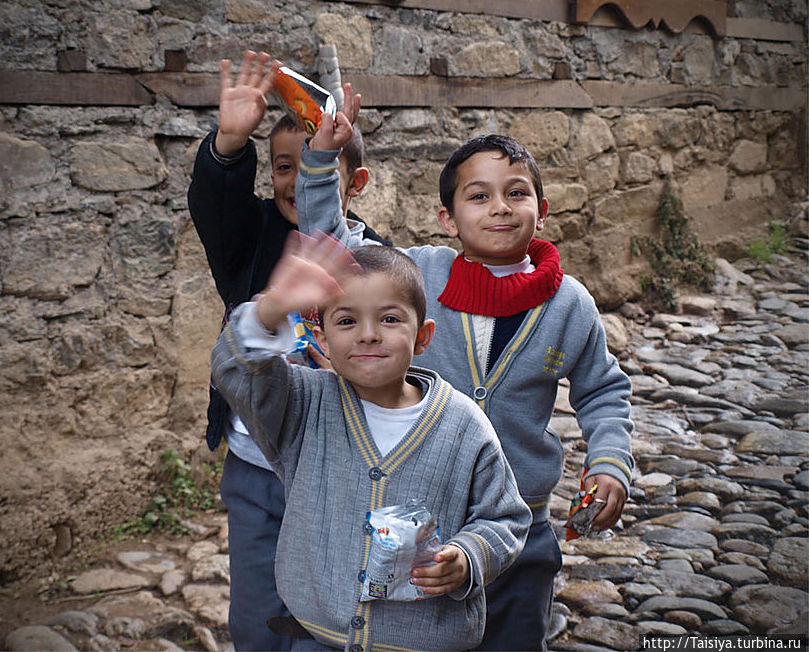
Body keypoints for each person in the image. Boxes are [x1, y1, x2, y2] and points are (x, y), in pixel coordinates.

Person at [297, 122, 635, 651]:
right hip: (426, 524)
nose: (500, 207)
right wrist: (320, 161)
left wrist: (611, 461)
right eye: (479, 196)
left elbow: (602, 391)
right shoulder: (419, 277)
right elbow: (332, 247)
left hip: (521, 523)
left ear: (541, 211)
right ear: (447, 220)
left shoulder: (570, 305)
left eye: (516, 193)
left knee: (515, 639)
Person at [211, 232, 532, 651]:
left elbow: (505, 517)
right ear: (321, 338)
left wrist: (468, 558)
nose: (368, 335)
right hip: (319, 638)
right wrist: (272, 307)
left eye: (390, 319)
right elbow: (234, 371)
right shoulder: (301, 407)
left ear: (423, 336)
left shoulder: (464, 426)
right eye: (346, 321)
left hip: (423, 643)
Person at [187, 50, 387, 650]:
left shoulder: (374, 258)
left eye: (315, 168)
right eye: (282, 167)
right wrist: (227, 144)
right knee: (256, 616)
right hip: (255, 465)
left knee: (333, 603)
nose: (296, 182)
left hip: (337, 463)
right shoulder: (246, 239)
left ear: (355, 181)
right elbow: (214, 205)